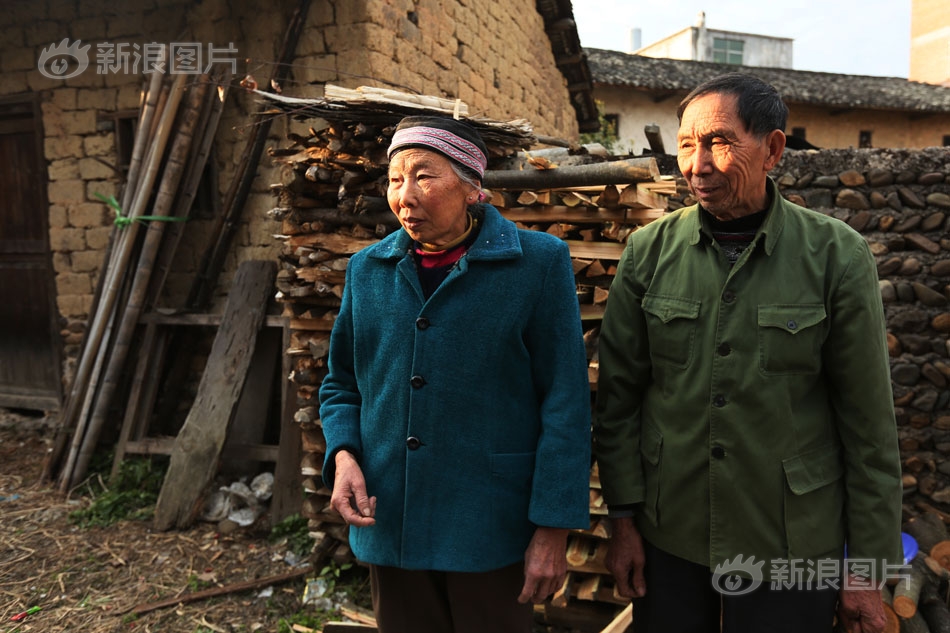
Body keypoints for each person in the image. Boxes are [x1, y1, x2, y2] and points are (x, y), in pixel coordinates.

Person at [593, 73, 902, 633]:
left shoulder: (836, 256)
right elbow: (619, 401)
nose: (696, 164)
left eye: (718, 142)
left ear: (774, 150)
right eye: (686, 144)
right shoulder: (649, 252)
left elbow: (869, 426)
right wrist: (623, 521)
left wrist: (867, 569)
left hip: (792, 543)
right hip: (671, 533)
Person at [318, 115, 592, 633]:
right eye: (396, 179)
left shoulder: (536, 264)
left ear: (472, 188)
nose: (405, 196)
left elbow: (565, 403)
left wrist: (552, 528)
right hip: (390, 516)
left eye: (425, 176)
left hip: (490, 526)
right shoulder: (367, 270)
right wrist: (346, 455)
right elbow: (342, 383)